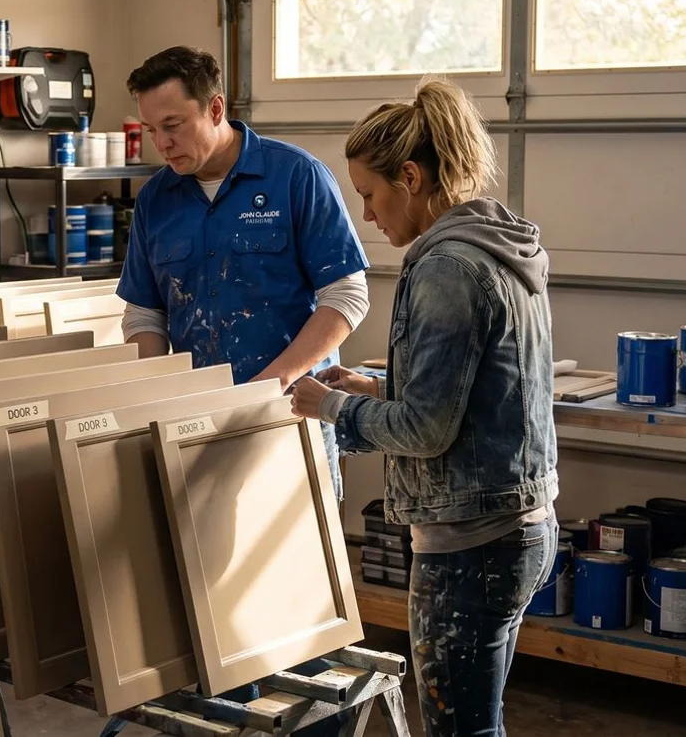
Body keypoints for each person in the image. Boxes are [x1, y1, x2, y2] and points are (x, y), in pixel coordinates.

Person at [290, 76, 559, 737]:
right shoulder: (498, 248)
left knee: (457, 730)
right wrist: (381, 387)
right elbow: (480, 394)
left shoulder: (446, 269)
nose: (369, 216)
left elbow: (427, 429)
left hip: (471, 542)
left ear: (410, 176)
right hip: (518, 523)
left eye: (371, 196)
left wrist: (328, 408)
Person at [117, 45, 371, 499]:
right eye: (152, 130)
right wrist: (152, 394)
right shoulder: (155, 200)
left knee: (303, 559)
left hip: (292, 408)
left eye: (173, 126)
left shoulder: (297, 177)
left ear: (215, 108)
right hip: (196, 417)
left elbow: (347, 296)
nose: (163, 143)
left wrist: (271, 383)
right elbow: (145, 314)